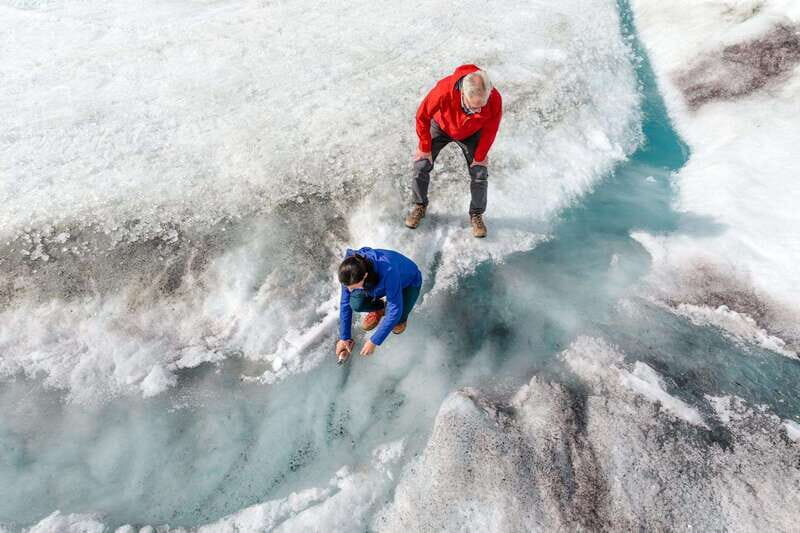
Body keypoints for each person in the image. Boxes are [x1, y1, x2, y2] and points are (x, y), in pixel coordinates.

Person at [405, 64, 503, 238]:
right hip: (441, 126)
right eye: (473, 107)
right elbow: (422, 116)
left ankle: (476, 214)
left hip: (472, 132)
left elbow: (491, 128)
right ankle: (420, 205)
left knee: (479, 172)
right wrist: (425, 147)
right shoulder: (443, 91)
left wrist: (480, 157)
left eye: (482, 106)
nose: (478, 110)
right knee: (421, 164)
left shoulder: (494, 98)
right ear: (463, 94)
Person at [335, 247, 423, 363]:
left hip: (407, 283)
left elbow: (395, 309)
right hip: (375, 284)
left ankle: (400, 318)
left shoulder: (388, 271)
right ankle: (380, 309)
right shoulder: (348, 271)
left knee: (397, 322)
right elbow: (345, 303)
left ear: (365, 275)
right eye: (349, 287)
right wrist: (344, 337)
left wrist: (374, 341)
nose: (350, 290)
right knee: (356, 303)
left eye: (354, 286)